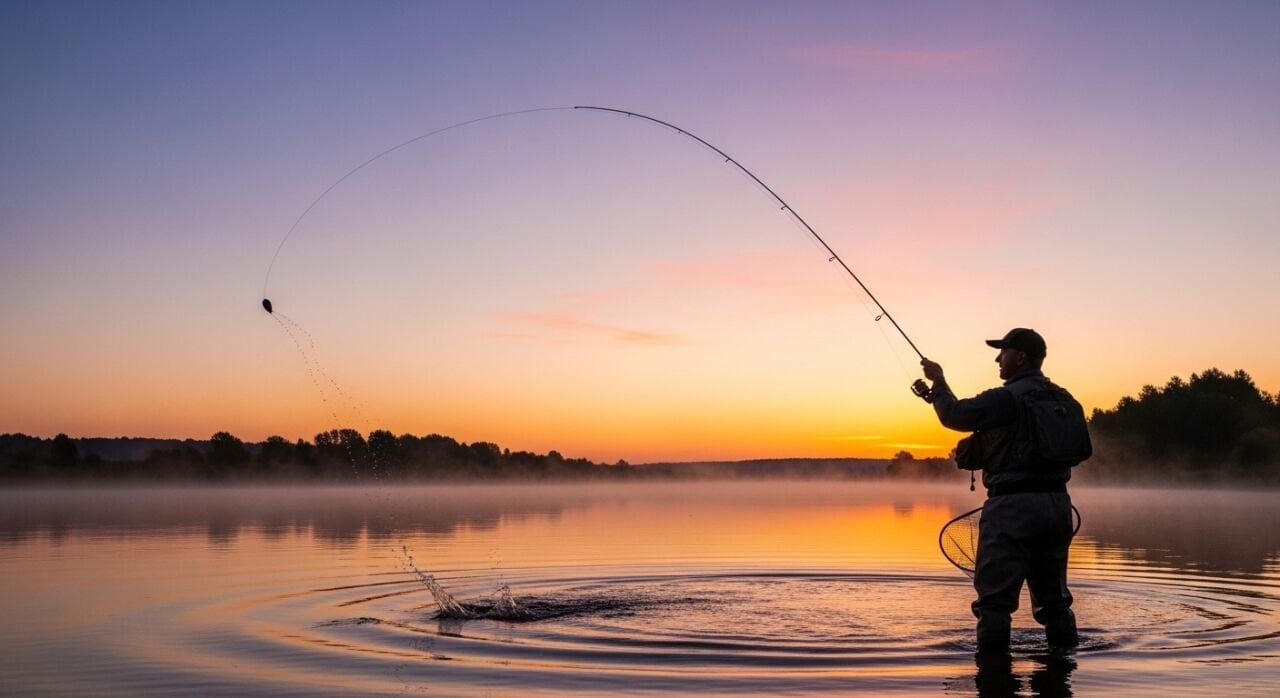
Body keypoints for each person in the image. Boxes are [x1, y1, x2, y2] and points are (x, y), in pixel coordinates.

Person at [918, 328, 1079, 655]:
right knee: (1055, 603)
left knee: (994, 604)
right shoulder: (1065, 399)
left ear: (1020, 357)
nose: (997, 358)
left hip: (1012, 510)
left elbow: (954, 415)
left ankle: (992, 677)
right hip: (1058, 507)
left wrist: (939, 381)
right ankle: (1063, 671)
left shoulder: (1005, 397)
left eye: (1002, 352)